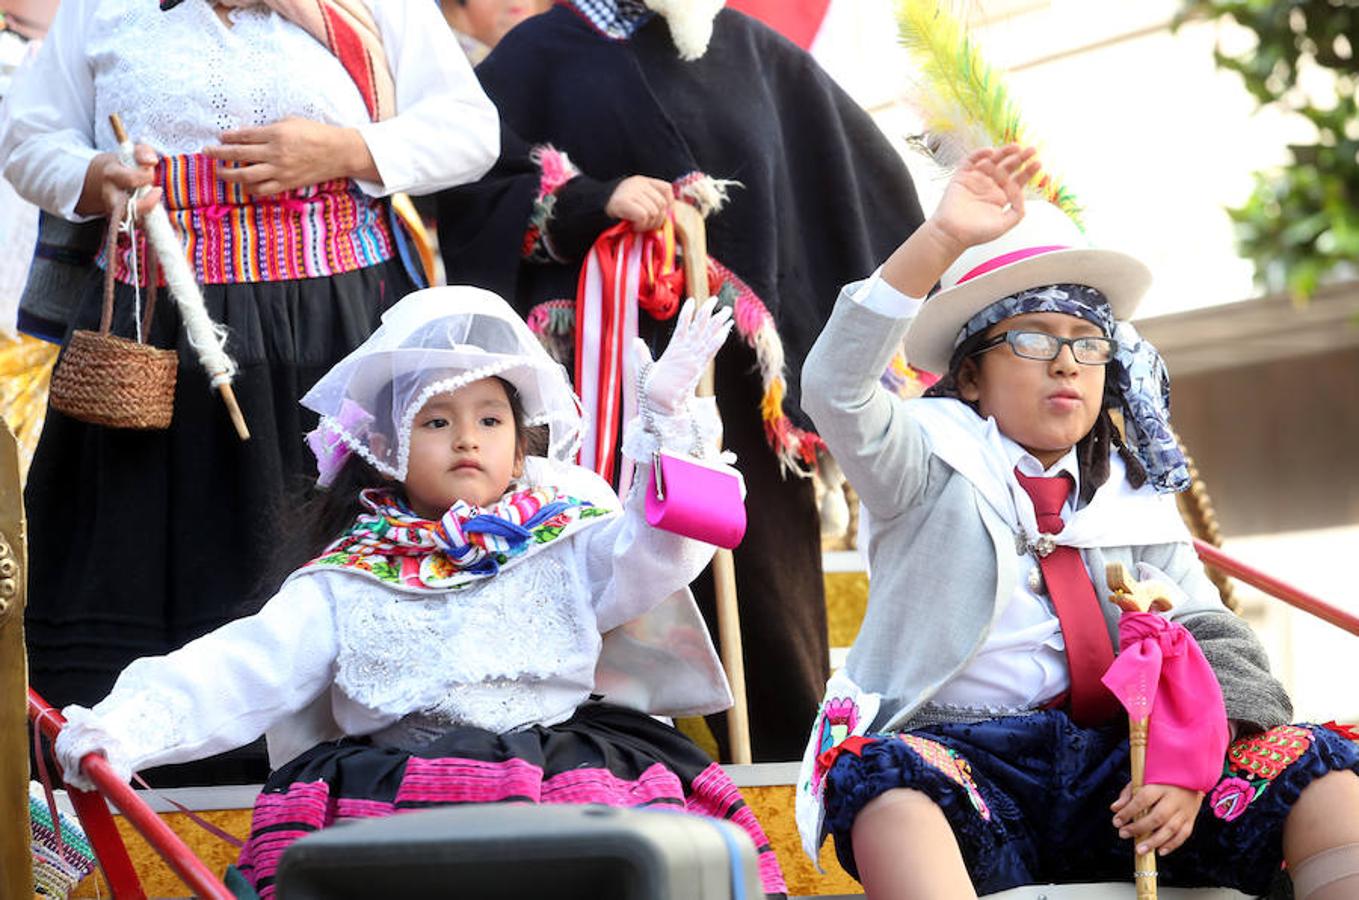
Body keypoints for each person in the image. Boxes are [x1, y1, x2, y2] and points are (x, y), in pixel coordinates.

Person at [53, 286, 789, 899]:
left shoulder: (564, 537)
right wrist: (126, 726)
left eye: (490, 419)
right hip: (393, 790)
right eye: (437, 421)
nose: (467, 438)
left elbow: (663, 553)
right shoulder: (352, 572)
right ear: (390, 448)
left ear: (520, 441)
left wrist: (662, 418)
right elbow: (247, 666)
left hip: (566, 773)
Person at [795, 145, 1359, 899]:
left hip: (1123, 767)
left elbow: (1215, 638)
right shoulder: (922, 461)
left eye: (1086, 344)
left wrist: (1188, 765)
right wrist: (940, 241)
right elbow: (833, 387)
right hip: (967, 759)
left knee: (1321, 767)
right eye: (1031, 339)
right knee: (887, 786)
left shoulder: (1132, 491)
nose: (1065, 364)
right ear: (969, 375)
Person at [0, 0, 499, 784]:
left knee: (320, 555)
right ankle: (130, 800)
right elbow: (28, 142)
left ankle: (348, 794)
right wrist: (100, 177)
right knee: (139, 576)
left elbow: (471, 131)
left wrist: (344, 149)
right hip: (152, 341)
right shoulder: (104, 7)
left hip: (327, 339)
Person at [437, 0, 925, 761]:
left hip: (735, 383)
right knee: (592, 592)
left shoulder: (751, 49)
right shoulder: (536, 51)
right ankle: (601, 773)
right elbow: (469, 193)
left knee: (762, 602)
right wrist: (589, 202)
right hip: (588, 387)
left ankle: (788, 778)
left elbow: (850, 178)